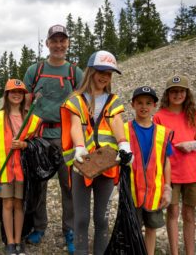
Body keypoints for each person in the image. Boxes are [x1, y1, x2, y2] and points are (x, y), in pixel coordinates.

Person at [60, 50, 133, 255]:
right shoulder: (76, 99)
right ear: (91, 71)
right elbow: (75, 125)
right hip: (82, 165)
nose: (104, 77)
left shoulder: (113, 100)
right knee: (81, 218)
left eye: (109, 73)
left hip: (107, 166)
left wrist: (123, 144)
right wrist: (80, 146)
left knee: (102, 218)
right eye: (101, 71)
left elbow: (116, 122)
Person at [23, 24, 83, 253]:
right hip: (39, 137)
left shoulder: (75, 72)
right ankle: (39, 226)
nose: (58, 45)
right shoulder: (34, 70)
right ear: (47, 43)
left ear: (67, 43)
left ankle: (69, 229)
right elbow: (24, 101)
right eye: (54, 40)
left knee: (69, 186)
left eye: (62, 40)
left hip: (67, 137)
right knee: (38, 184)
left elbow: (84, 104)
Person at [153, 75, 196, 255]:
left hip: (192, 172)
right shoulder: (159, 116)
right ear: (167, 94)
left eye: (181, 91)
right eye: (174, 91)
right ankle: (175, 252)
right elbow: (156, 144)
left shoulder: (195, 115)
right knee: (173, 213)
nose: (178, 94)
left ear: (187, 93)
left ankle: (190, 252)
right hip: (171, 173)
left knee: (190, 214)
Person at [0, 79, 41, 255]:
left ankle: (19, 240)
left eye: (20, 92)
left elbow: (38, 145)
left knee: (19, 204)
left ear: (25, 95)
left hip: (23, 171)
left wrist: (24, 145)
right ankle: (9, 242)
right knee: (7, 204)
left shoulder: (33, 120)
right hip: (4, 170)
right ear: (7, 95)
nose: (16, 95)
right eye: (12, 92)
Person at [125, 86, 173, 255]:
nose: (143, 107)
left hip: (155, 192)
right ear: (132, 105)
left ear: (154, 106)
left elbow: (166, 161)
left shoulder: (163, 133)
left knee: (151, 228)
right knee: (133, 228)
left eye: (148, 103)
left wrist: (167, 187)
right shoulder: (124, 129)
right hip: (132, 191)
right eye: (139, 103)